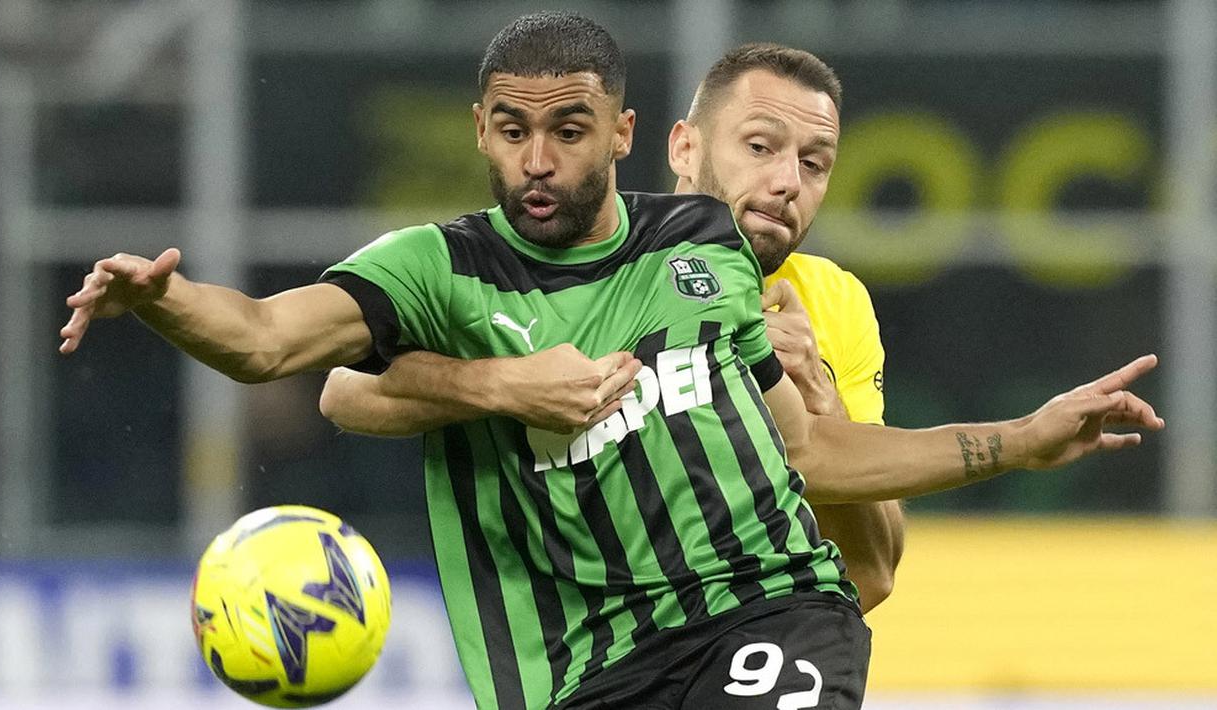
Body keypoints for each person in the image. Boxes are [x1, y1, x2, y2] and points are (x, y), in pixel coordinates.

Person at [59, 12, 1163, 710]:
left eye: (569, 130)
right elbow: (278, 347)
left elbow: (824, 480)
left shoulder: (704, 252)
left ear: (623, 133)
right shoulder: (438, 270)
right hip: (578, 666)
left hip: (762, 610)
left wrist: (1020, 438)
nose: (538, 159)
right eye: (510, 130)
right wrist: (164, 303)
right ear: (480, 130)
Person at [319, 43, 905, 612]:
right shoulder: (579, 255)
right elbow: (344, 390)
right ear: (683, 148)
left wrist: (820, 403)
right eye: (759, 146)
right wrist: (503, 385)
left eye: (814, 163)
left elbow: (872, 573)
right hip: (574, 651)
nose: (788, 182)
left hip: (742, 642)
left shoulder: (831, 302)